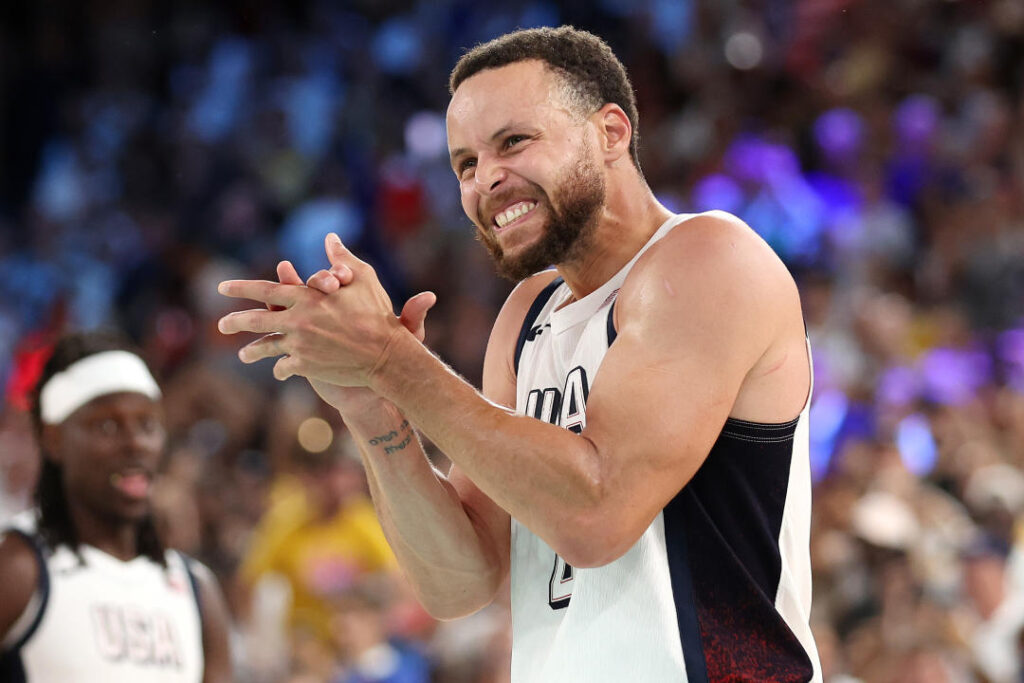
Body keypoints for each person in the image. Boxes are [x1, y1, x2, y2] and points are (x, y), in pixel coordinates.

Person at [219, 25, 821, 682]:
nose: (487, 180)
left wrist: (392, 357)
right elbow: (459, 583)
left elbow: (596, 514)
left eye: (513, 142)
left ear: (612, 133)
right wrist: (375, 410)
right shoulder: (528, 314)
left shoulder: (709, 260)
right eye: (466, 164)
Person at [0, 331, 233, 682]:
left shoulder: (197, 590)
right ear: (54, 439)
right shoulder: (19, 567)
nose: (136, 443)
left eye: (147, 424)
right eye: (107, 426)